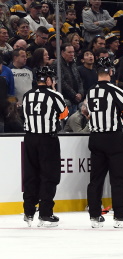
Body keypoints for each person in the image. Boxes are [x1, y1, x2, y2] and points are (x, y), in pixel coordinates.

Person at [85, 57, 123, 228]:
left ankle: (94, 216)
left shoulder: (90, 91)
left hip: (95, 137)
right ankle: (120, 215)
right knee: (120, 178)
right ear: (111, 72)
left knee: (96, 179)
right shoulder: (115, 90)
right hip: (113, 138)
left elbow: (88, 112)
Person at [22, 67, 69, 227]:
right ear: (48, 80)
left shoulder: (28, 94)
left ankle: (28, 212)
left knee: (31, 175)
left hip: (29, 138)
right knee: (49, 176)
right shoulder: (54, 95)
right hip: (47, 139)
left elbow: (24, 114)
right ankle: (45, 213)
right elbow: (64, 115)